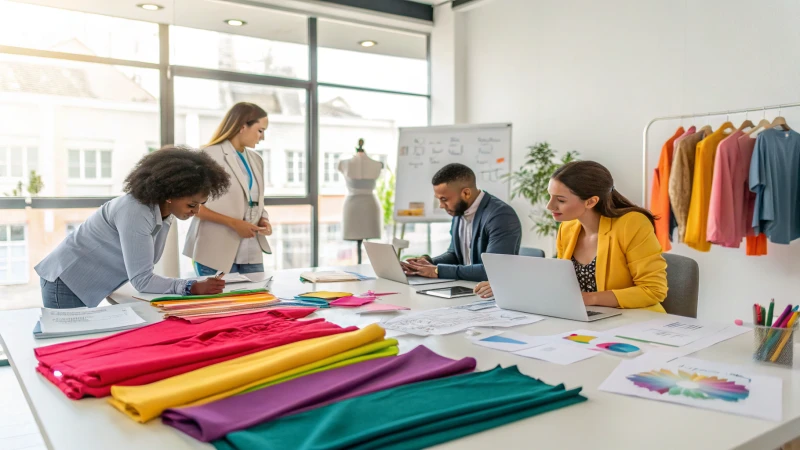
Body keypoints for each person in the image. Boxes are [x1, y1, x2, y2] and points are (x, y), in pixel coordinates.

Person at [35, 147, 231, 309]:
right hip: (66, 280)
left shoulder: (165, 212)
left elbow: (145, 265)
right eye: (191, 205)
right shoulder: (135, 211)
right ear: (170, 193)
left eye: (200, 204)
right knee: (68, 350)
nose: (196, 211)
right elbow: (143, 280)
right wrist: (192, 286)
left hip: (87, 283)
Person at [474, 161, 668, 312]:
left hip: (635, 322)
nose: (550, 206)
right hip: (586, 320)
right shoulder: (568, 229)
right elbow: (558, 280)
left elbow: (653, 290)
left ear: (591, 201)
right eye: (550, 196)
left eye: (560, 200)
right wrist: (510, 284)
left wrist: (590, 298)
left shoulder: (632, 224)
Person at [184, 102, 273, 276]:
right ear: (242, 127)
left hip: (251, 252)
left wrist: (264, 219)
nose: (262, 138)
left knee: (257, 302)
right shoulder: (208, 155)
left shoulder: (257, 160)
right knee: (220, 303)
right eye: (260, 130)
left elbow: (254, 199)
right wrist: (234, 224)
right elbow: (191, 206)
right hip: (215, 251)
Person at [401, 163, 522, 282]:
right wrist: (428, 263)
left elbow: (493, 271)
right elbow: (455, 255)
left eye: (444, 199)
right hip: (466, 286)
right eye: (439, 199)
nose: (441, 205)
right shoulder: (459, 211)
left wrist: (437, 271)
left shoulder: (500, 215)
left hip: (488, 294)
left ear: (466, 193)